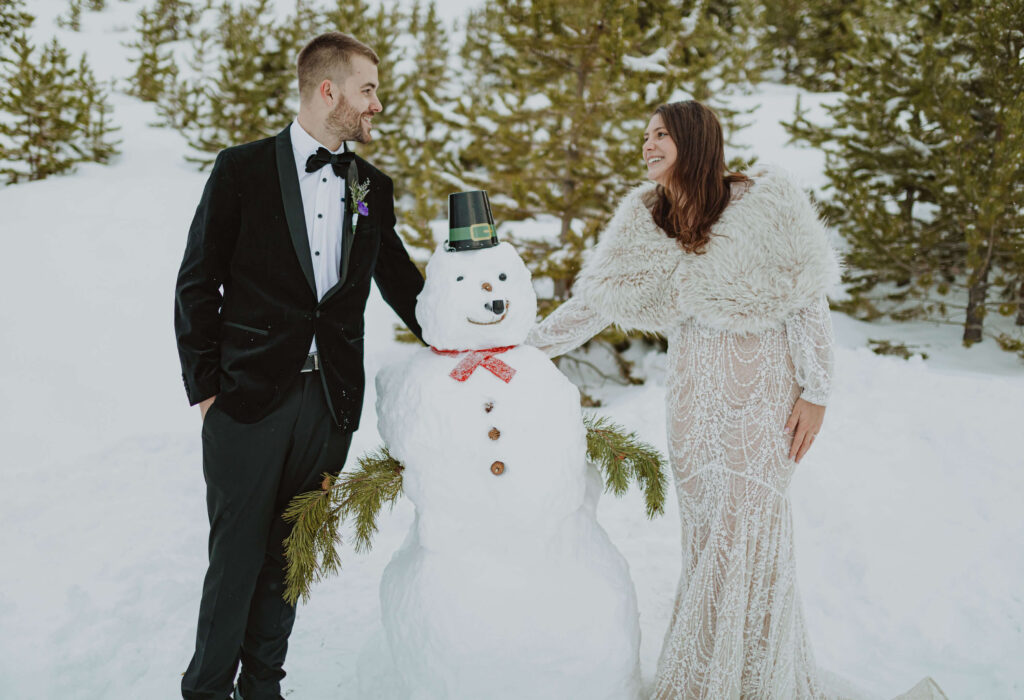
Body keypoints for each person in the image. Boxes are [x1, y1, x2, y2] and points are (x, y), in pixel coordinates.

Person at [526, 100, 841, 698]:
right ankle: (708, 679)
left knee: (750, 541)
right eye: (644, 136)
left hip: (762, 408)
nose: (647, 146)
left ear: (695, 142)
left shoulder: (763, 206)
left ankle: (750, 682)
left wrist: (817, 391)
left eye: (661, 135)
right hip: (695, 409)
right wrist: (524, 349)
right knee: (707, 547)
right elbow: (594, 304)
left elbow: (807, 300)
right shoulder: (649, 223)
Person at [174, 32, 424, 700]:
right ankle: (204, 691)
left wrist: (470, 332)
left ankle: (262, 688)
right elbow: (197, 283)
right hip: (246, 402)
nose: (376, 104)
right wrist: (206, 393)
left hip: (328, 408)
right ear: (328, 90)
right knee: (235, 561)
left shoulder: (371, 186)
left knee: (292, 556)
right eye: (367, 89)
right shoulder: (241, 170)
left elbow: (401, 283)